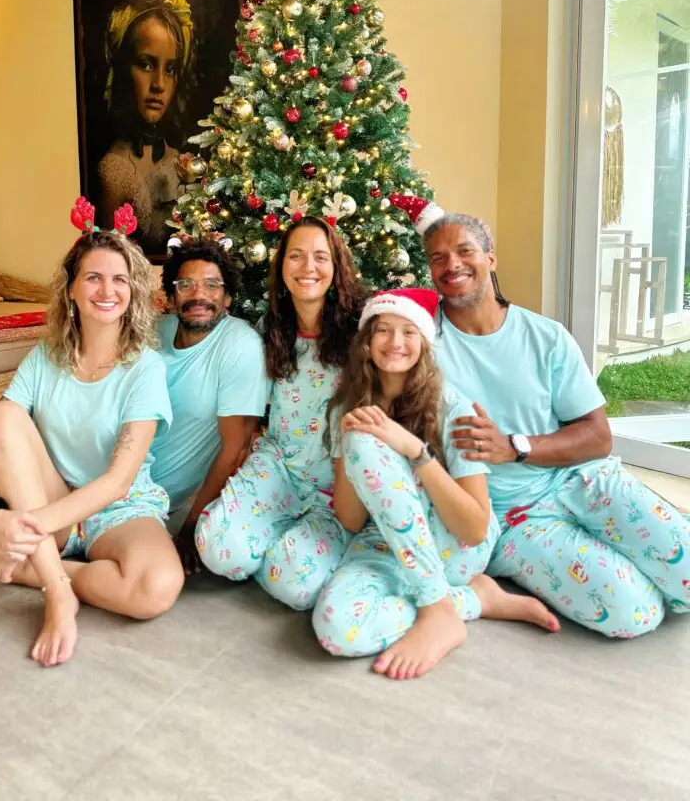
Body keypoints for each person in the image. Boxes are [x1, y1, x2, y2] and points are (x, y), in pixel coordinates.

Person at [397, 198, 690, 638]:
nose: (451, 264)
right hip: (512, 518)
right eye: (437, 258)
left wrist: (514, 446)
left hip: (581, 478)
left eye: (464, 251)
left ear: (491, 258)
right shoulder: (420, 344)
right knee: (635, 613)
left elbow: (598, 437)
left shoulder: (546, 337)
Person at [0, 200, 183, 667]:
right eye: (93, 277)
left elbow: (117, 481)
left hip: (118, 506)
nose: (107, 290)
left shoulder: (146, 369)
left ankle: (27, 569)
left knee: (156, 588)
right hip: (50, 496)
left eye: (120, 280)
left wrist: (24, 529)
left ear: (133, 291)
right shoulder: (45, 356)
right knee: (0, 417)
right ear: (72, 289)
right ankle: (57, 591)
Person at [313, 288, 558, 680]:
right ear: (367, 342)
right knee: (337, 629)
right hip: (386, 541)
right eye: (383, 330)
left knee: (367, 436)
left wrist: (415, 450)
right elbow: (352, 520)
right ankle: (473, 599)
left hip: (454, 545)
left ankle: (436, 608)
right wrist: (350, 445)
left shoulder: (454, 409)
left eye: (409, 332)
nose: (395, 342)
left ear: (424, 342)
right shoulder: (348, 406)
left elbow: (474, 529)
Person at [195, 216, 366, 610]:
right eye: (296, 256)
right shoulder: (270, 326)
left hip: (336, 484)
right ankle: (275, 542)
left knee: (295, 586)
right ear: (282, 265)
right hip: (279, 466)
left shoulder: (362, 330)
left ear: (336, 266)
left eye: (320, 257)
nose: (308, 267)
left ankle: (285, 549)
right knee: (217, 548)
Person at [149, 240, 269, 572]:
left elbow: (236, 448)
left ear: (227, 298)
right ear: (171, 296)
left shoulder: (241, 346)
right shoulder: (156, 332)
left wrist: (190, 528)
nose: (198, 295)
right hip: (112, 472)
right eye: (185, 285)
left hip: (158, 498)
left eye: (212, 285)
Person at [97, 0, 196, 254]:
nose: (159, 84)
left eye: (170, 69)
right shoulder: (115, 171)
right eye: (146, 64)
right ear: (123, 69)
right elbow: (115, 260)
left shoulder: (179, 159)